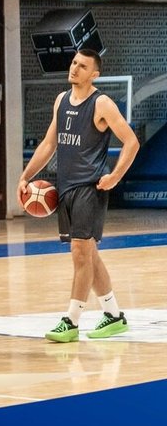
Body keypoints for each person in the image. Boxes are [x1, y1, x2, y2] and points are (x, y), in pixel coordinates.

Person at [18, 48, 141, 343]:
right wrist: (26, 175)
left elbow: (131, 142)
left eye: (82, 66)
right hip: (65, 188)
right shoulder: (61, 100)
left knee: (80, 253)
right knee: (89, 255)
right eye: (74, 63)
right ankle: (113, 315)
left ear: (94, 74)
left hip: (90, 188)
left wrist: (115, 176)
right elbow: (49, 144)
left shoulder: (102, 103)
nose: (74, 68)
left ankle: (71, 321)